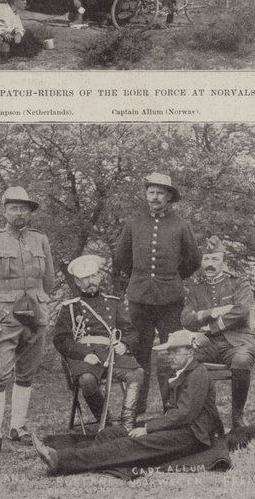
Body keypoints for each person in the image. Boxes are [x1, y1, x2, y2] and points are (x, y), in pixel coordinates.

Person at [32, 331, 223, 476]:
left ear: (190, 352)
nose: (169, 356)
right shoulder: (183, 372)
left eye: (175, 352)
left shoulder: (198, 374)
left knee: (129, 444)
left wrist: (148, 428)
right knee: (111, 433)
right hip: (178, 427)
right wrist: (152, 427)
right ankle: (63, 451)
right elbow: (177, 415)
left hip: (193, 436)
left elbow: (185, 414)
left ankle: (61, 461)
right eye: (169, 351)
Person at [113, 172, 201, 421]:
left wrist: (170, 277)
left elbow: (192, 259)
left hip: (170, 300)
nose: (155, 197)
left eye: (160, 193)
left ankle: (170, 407)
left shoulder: (180, 225)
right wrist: (140, 279)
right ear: (146, 194)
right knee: (139, 352)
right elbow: (121, 258)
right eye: (151, 192)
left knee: (170, 353)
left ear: (169, 197)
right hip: (139, 299)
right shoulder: (134, 223)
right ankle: (137, 409)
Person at [0, 186, 55, 457]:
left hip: (36, 316)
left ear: (30, 212)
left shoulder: (40, 240)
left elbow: (49, 281)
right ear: (4, 211)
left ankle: (17, 427)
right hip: (5, 318)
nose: (19, 213)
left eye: (24, 208)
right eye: (13, 208)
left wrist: (41, 303)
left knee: (27, 373)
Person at [52, 254, 144, 428]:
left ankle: (127, 420)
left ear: (99, 277)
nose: (90, 281)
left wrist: (124, 344)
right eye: (85, 278)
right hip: (85, 358)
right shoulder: (70, 307)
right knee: (87, 380)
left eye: (93, 276)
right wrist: (84, 355)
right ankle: (105, 421)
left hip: (111, 354)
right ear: (78, 282)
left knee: (137, 373)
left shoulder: (113, 303)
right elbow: (60, 339)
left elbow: (131, 331)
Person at [181, 236, 255, 429]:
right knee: (178, 359)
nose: (210, 264)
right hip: (208, 344)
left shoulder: (239, 283)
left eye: (215, 259)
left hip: (237, 341)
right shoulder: (196, 290)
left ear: (224, 262)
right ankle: (186, 414)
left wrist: (210, 326)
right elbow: (186, 319)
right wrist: (211, 312)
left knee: (241, 361)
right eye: (206, 259)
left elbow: (241, 311)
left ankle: (237, 416)